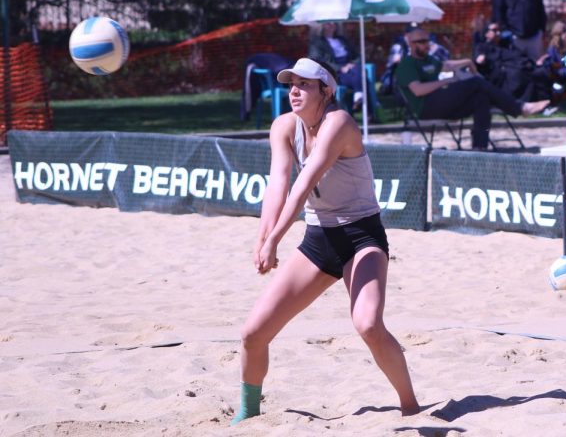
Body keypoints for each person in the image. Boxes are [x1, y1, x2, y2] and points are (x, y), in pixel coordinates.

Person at [231, 57, 419, 424]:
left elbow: (302, 188)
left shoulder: (339, 122)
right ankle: (247, 416)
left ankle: (410, 406)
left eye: (305, 84)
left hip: (362, 236)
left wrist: (275, 242)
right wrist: (262, 238)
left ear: (327, 91)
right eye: (291, 84)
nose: (294, 91)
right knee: (253, 333)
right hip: (319, 240)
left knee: (368, 325)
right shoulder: (284, 126)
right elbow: (278, 184)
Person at [394, 26, 549, 150]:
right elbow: (418, 90)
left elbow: (446, 66)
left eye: (427, 40)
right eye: (421, 41)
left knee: (481, 98)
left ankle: (479, 147)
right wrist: (445, 81)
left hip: (442, 103)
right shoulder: (407, 64)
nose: (426, 44)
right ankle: (520, 107)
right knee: (476, 83)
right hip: (425, 107)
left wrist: (467, 61)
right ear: (411, 44)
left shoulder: (428, 59)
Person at [474, 21, 553, 102]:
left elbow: (521, 56)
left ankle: (545, 103)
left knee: (540, 71)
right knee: (519, 74)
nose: (498, 33)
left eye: (499, 30)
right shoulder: (482, 47)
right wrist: (481, 59)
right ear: (486, 33)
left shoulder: (507, 45)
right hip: (504, 75)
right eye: (494, 30)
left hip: (521, 68)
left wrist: (536, 63)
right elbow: (479, 61)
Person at [307, 22, 371, 111]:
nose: (332, 24)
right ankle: (367, 108)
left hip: (351, 68)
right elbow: (318, 61)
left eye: (334, 23)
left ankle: (359, 97)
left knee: (357, 69)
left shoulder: (343, 40)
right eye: (328, 23)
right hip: (334, 72)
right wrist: (340, 68)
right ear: (322, 25)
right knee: (364, 80)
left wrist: (352, 64)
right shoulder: (317, 43)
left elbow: (357, 56)